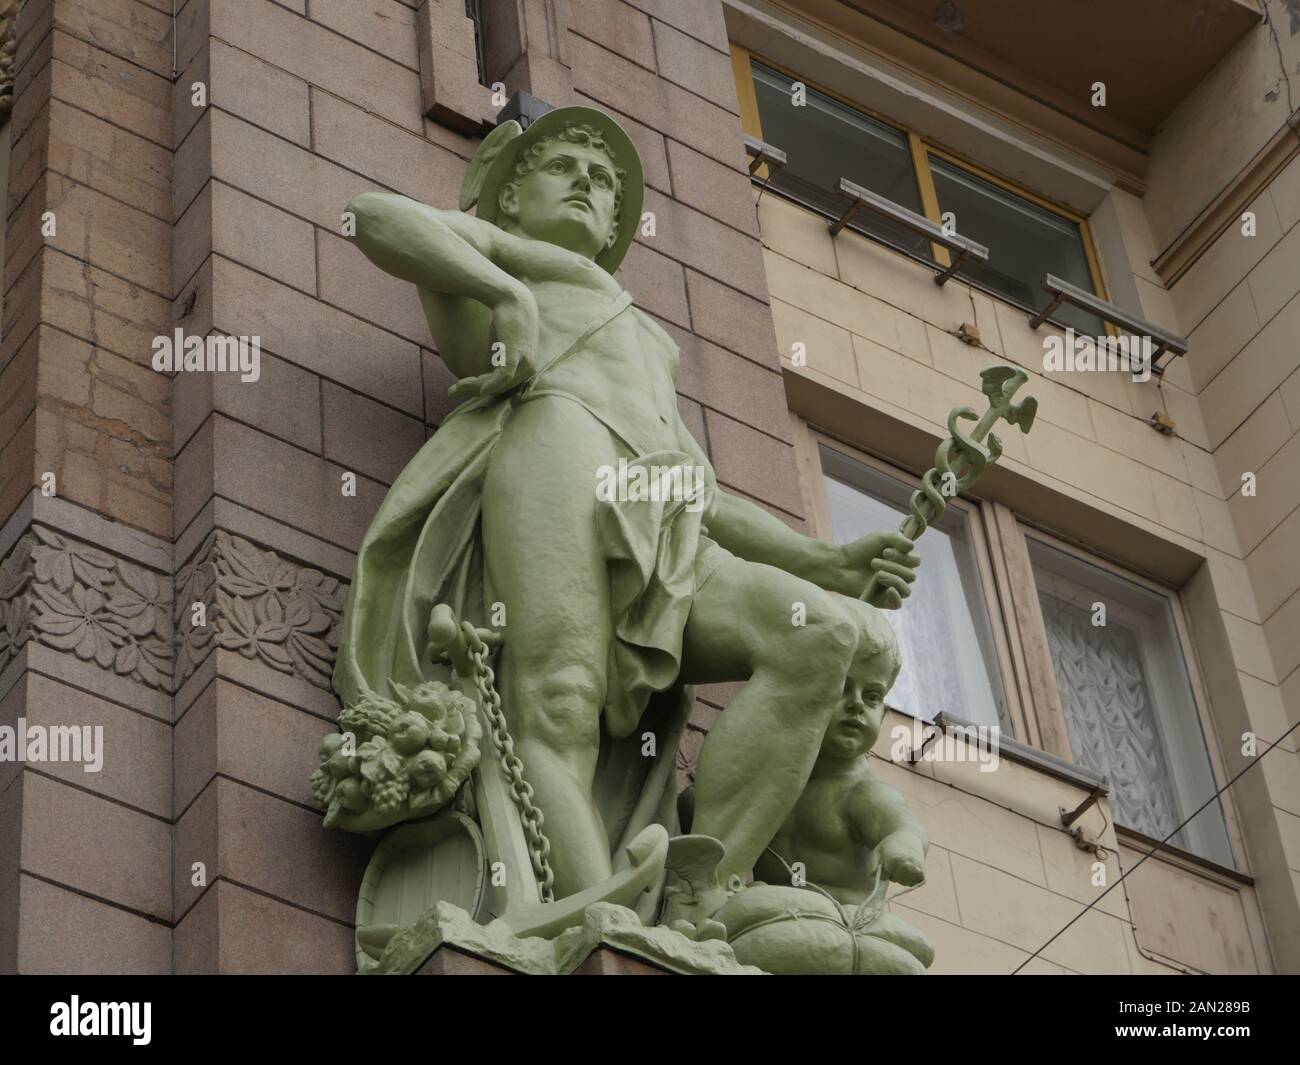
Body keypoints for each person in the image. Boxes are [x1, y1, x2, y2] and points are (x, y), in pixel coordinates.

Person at [333, 105, 920, 919]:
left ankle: (697, 892)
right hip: (559, 451)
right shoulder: (514, 256)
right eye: (563, 166)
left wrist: (822, 562)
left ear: (617, 221)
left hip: (664, 503)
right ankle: (591, 908)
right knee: (560, 700)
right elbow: (370, 215)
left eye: (603, 179)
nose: (586, 181)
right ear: (508, 200)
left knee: (820, 632)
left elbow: (702, 490)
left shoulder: (651, 340)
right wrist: (504, 287)